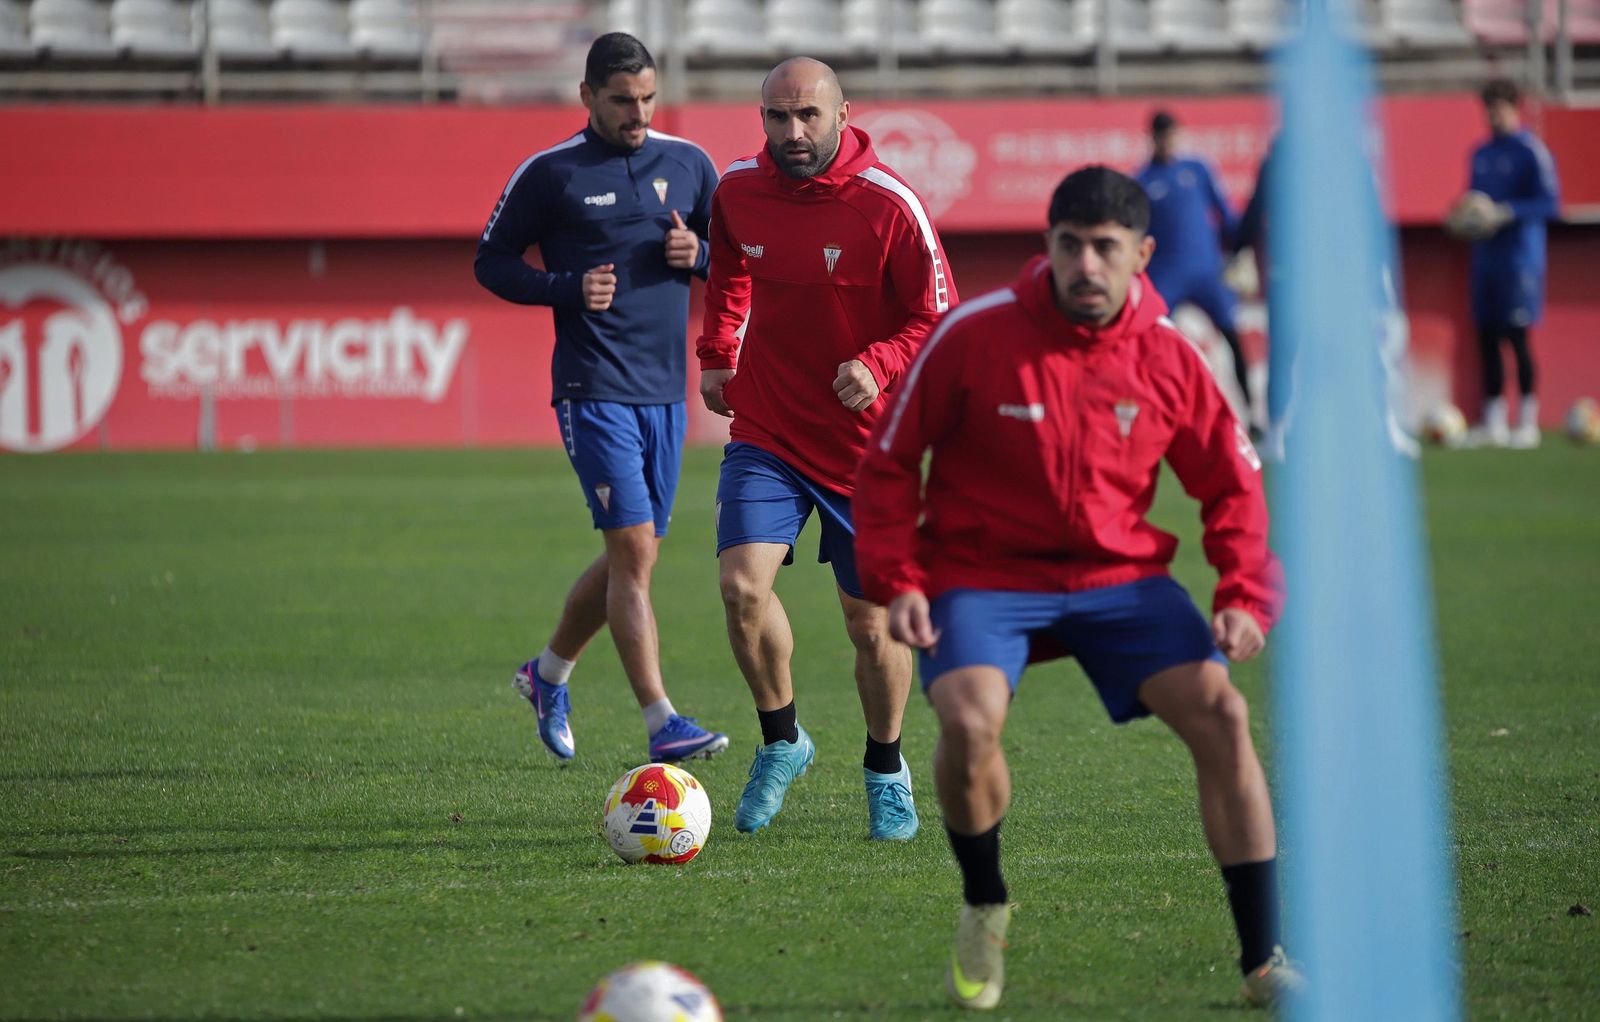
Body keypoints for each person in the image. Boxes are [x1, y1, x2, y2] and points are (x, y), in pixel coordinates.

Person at [855, 166, 1303, 1009]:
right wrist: (900, 578)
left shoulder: (1173, 357)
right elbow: (886, 463)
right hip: (983, 576)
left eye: (1106, 248)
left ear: (1143, 254)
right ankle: (986, 902)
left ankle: (1263, 958)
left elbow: (1233, 486)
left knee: (1224, 715)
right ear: (1049, 248)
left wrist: (1244, 591)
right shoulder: (973, 334)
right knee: (968, 720)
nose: (1086, 265)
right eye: (1070, 246)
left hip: (1120, 579)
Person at [696, 56, 957, 840]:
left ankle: (885, 766)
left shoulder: (892, 205)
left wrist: (875, 366)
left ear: (844, 115)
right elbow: (729, 272)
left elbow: (938, 313)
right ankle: (783, 742)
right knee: (742, 589)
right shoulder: (738, 188)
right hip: (770, 427)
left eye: (808, 116)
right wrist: (718, 354)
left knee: (871, 626)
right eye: (777, 117)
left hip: (866, 448)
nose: (792, 132)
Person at [474, 32, 728, 765]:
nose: (638, 112)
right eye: (622, 100)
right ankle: (662, 720)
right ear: (588, 97)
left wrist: (702, 257)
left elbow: (738, 260)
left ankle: (547, 673)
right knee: (632, 549)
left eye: (648, 97)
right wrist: (564, 288)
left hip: (667, 395)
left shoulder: (689, 165)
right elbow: (489, 261)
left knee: (636, 556)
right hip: (593, 388)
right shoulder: (551, 173)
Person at [1135, 110, 1255, 424]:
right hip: (1165, 276)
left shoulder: (1198, 170)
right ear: (1153, 137)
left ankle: (1252, 414)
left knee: (1232, 335)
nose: (1168, 142)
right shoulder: (1142, 180)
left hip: (1206, 272)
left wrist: (1241, 247)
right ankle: (1151, 412)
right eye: (1162, 136)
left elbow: (1226, 217)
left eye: (1172, 134)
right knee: (1149, 342)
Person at [1461, 78, 1561, 449]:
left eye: (1498, 108)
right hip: (1485, 259)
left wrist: (1506, 212)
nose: (1492, 115)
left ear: (1513, 109)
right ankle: (1493, 422)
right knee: (1486, 338)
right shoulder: (1480, 154)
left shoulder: (1530, 151)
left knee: (1517, 338)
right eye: (1488, 108)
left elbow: (1551, 203)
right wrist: (1465, 218)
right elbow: (1472, 203)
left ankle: (1528, 421)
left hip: (1520, 260)